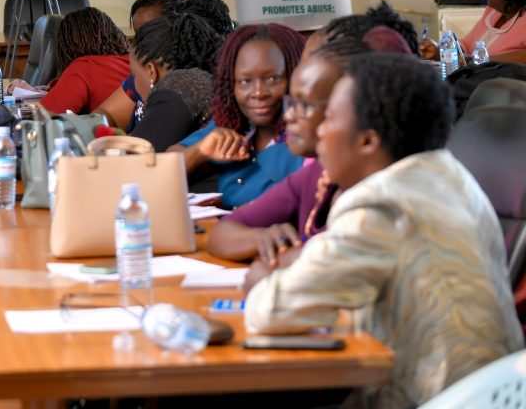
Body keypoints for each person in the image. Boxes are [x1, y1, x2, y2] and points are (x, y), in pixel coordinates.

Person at [244, 53, 523, 408]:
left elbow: (271, 311)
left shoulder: (380, 204)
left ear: (367, 142)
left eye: (329, 117)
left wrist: (261, 278)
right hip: (494, 392)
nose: (320, 131)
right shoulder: (451, 176)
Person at [207, 30, 411, 263]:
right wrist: (262, 239)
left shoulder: (379, 197)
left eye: (305, 104)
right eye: (291, 102)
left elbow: (311, 271)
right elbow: (222, 232)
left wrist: (276, 263)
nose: (290, 114)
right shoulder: (318, 174)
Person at [173, 23, 306, 208]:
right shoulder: (237, 124)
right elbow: (169, 163)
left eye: (272, 78)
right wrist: (200, 151)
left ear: (295, 77)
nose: (258, 92)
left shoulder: (308, 137)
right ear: (230, 85)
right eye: (245, 81)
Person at [92, 0, 188, 129]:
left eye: (148, 30)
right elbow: (105, 114)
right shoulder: (139, 79)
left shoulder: (185, 86)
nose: (140, 40)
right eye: (138, 33)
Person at [128, 12, 222, 152]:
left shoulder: (178, 85)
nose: (133, 82)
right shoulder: (204, 80)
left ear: (150, 71)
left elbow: (135, 160)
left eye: (134, 74)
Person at [38, 7, 129, 115]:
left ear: (68, 44)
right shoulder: (135, 60)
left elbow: (44, 116)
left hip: (106, 131)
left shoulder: (84, 67)